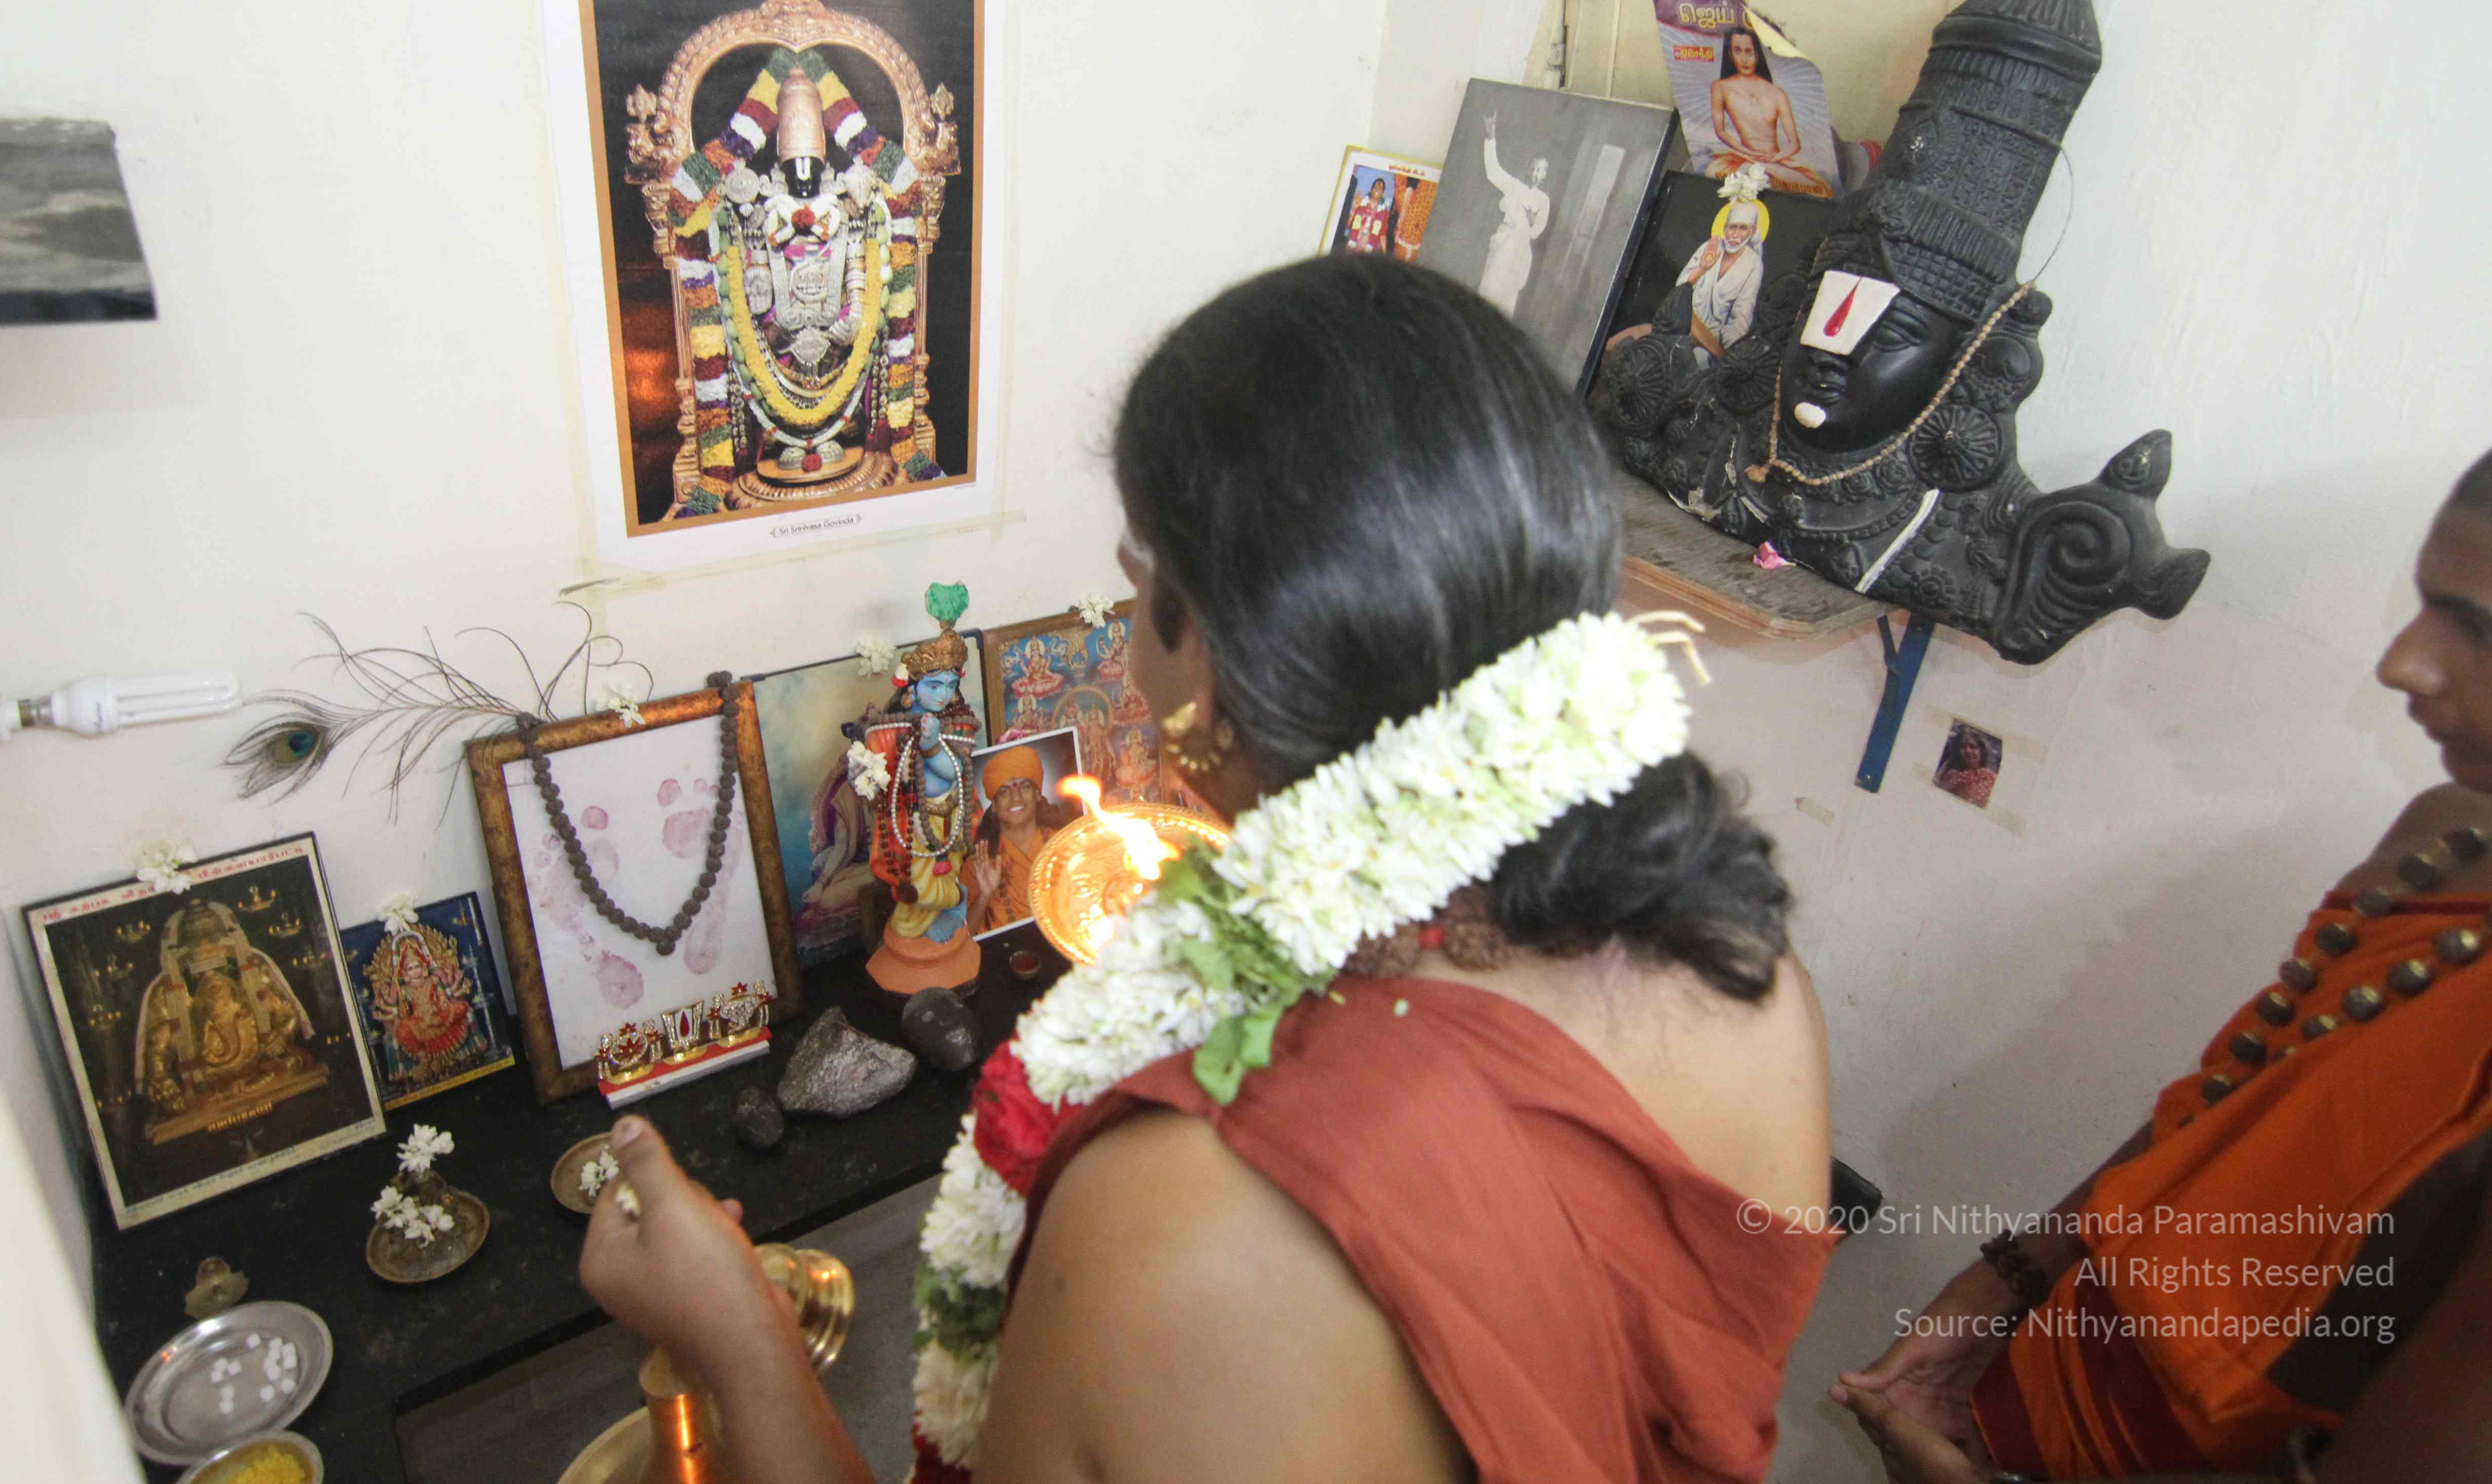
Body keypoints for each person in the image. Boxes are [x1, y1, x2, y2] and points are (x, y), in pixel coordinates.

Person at [579, 255, 1836, 1483]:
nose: (1132, 659)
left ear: (1230, 665)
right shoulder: (1744, 978)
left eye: (1140, 591)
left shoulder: (1185, 1227)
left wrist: (734, 1335)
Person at [1833, 448, 2492, 1483]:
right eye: (2422, 606)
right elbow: (2223, 1106)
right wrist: (2003, 1284)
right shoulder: (2441, 832)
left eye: (2476, 631)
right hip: (2031, 1387)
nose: (2402, 664)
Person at [1707, 25, 1829, 198]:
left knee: (1820, 192)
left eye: (1749, 52)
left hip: (1775, 162)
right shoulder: (1720, 87)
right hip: (1744, 158)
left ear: (1758, 55)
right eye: (1738, 51)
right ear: (1730, 54)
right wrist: (1749, 153)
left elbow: (1794, 144)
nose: (1744, 59)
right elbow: (1721, 131)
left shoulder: (1777, 93)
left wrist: (1775, 158)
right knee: (1714, 176)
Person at [965, 744, 1070, 935]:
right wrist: (985, 896)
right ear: (994, 805)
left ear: (1037, 795)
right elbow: (962, 937)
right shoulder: (978, 863)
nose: (1016, 797)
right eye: (1004, 792)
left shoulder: (1066, 846)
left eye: (1025, 787)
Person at [1477, 109, 1551, 313]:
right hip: (1504, 243)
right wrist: (1491, 138)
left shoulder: (1544, 201)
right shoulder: (1514, 186)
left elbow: (1536, 232)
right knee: (1489, 292)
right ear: (1528, 169)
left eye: (1539, 170)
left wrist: (1530, 220)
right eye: (1533, 168)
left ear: (1544, 174)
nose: (1535, 173)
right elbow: (1493, 172)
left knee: (1507, 302)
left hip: (1520, 251)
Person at [1680, 196, 1766, 364]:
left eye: (1743, 228)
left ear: (1752, 231)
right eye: (1732, 227)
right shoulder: (1709, 247)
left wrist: (1729, 353)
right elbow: (1680, 290)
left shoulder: (1754, 265)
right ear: (1725, 227)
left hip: (1711, 343)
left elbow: (1741, 315)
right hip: (1682, 324)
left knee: (1700, 359)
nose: (1735, 234)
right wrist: (1702, 268)